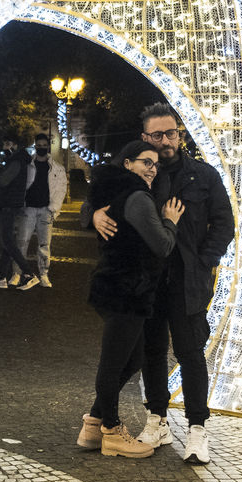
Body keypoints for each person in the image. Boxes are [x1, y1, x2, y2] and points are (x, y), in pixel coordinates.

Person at [93, 104, 235, 464]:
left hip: (188, 282)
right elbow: (103, 195)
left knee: (190, 353)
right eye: (156, 135)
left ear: (180, 134)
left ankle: (197, 428)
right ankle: (157, 419)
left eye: (171, 133)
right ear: (145, 137)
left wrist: (204, 262)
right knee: (152, 352)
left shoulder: (203, 175)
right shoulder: (139, 174)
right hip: (149, 281)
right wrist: (91, 215)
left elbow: (224, 223)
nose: (165, 141)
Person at [77, 140, 184, 457]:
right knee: (114, 362)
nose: (152, 169)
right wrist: (171, 221)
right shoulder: (137, 196)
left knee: (132, 359)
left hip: (119, 286)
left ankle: (93, 424)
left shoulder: (116, 188)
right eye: (145, 162)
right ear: (127, 163)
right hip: (128, 289)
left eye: (155, 164)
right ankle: (111, 430)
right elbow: (163, 245)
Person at [0, 137, 42, 289]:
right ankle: (1, 277)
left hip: (9, 203)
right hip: (12, 203)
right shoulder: (19, 159)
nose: (4, 146)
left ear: (15, 145)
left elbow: (3, 180)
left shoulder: (16, 160)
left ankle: (29, 274)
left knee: (7, 241)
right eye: (4, 143)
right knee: (7, 242)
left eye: (7, 144)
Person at [11, 133, 67, 290]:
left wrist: (53, 209)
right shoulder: (27, 165)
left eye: (44, 145)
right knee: (22, 242)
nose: (41, 148)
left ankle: (44, 274)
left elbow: (61, 189)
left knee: (44, 245)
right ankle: (17, 273)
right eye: (39, 145)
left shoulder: (57, 168)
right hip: (28, 209)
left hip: (46, 210)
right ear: (35, 146)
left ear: (48, 147)